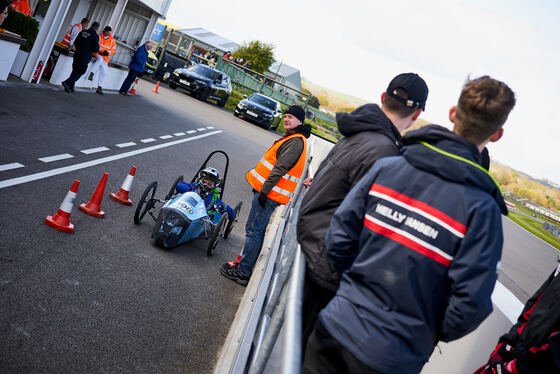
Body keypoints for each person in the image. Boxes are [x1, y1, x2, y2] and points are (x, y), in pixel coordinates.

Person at [302, 76, 516, 374]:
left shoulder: (388, 166)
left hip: (335, 327)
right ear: (497, 134)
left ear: (454, 113)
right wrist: (420, 332)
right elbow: (471, 305)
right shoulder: (483, 212)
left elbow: (338, 238)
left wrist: (354, 295)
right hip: (392, 358)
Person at [297, 73, 429, 351]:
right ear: (416, 115)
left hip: (314, 250)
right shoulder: (384, 152)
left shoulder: (360, 134)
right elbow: (366, 223)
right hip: (328, 268)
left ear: (383, 98)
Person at [221, 105, 312, 286]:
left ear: (300, 121)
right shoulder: (294, 138)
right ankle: (243, 265)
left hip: (268, 194)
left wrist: (264, 191)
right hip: (269, 193)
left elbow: (280, 168)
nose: (286, 119)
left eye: (291, 117)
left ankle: (243, 271)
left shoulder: (296, 141)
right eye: (285, 116)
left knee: (254, 231)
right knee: (256, 230)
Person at [474, 262, 560, 374]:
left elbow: (554, 352)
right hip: (514, 359)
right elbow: (529, 312)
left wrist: (514, 367)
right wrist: (503, 349)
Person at [61, 22, 100, 93]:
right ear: (97, 28)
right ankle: (67, 82)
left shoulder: (83, 31)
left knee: (75, 70)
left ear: (91, 26)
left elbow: (75, 42)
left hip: (77, 53)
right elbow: (96, 49)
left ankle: (70, 87)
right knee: (81, 71)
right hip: (85, 56)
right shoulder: (95, 36)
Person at [87, 26, 116, 95]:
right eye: (107, 32)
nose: (108, 33)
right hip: (97, 53)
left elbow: (114, 49)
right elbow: (96, 45)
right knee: (99, 60)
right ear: (104, 30)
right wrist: (102, 51)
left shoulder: (112, 40)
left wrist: (108, 53)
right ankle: (92, 73)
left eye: (109, 32)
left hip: (105, 57)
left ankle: (99, 87)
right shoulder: (98, 36)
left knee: (104, 72)